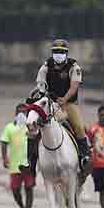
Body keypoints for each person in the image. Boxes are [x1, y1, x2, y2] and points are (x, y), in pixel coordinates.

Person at [33, 39, 91, 171]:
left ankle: (84, 156)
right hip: (50, 102)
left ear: (66, 53)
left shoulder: (74, 67)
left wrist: (64, 99)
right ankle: (32, 159)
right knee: (35, 125)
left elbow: (74, 87)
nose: (58, 54)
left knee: (79, 127)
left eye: (61, 52)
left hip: (69, 103)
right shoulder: (46, 66)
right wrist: (44, 96)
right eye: (56, 51)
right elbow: (41, 85)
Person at [0, 103, 34, 208]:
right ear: (15, 114)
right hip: (14, 165)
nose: (21, 114)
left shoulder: (31, 128)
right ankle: (22, 207)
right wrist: (4, 158)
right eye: (19, 112)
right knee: (15, 190)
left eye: (24, 112)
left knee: (29, 188)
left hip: (29, 165)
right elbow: (4, 143)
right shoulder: (9, 127)